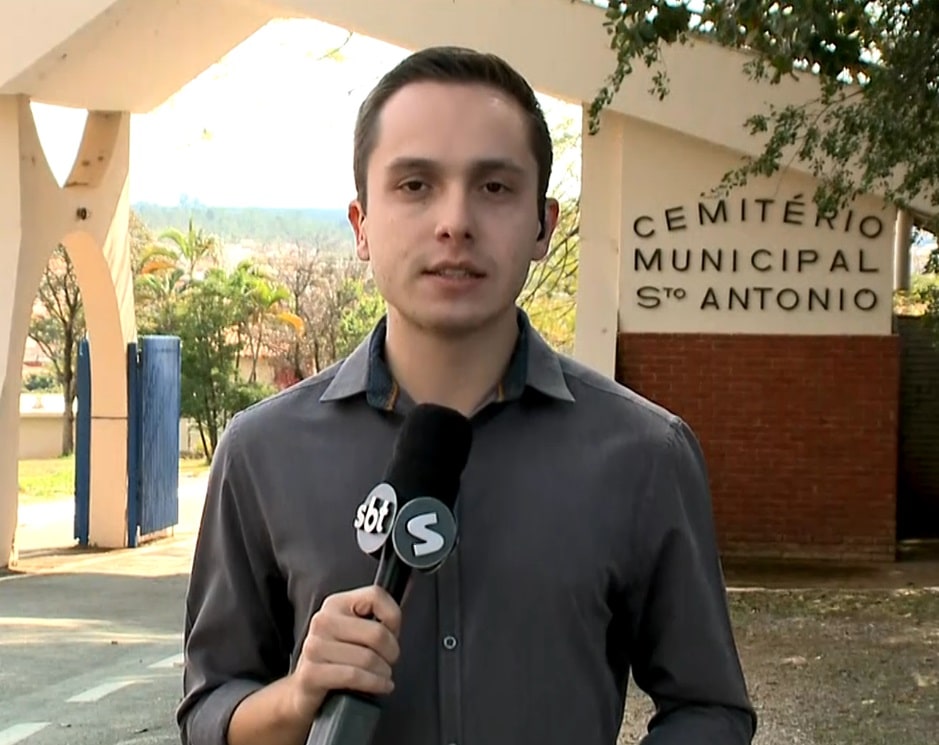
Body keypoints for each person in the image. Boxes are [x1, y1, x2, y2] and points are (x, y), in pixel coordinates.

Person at [177, 45, 757, 745]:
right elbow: (210, 707)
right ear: (361, 226)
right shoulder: (262, 452)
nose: (454, 221)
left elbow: (708, 706)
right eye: (415, 185)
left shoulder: (643, 453)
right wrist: (298, 696)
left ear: (543, 225)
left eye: (493, 187)